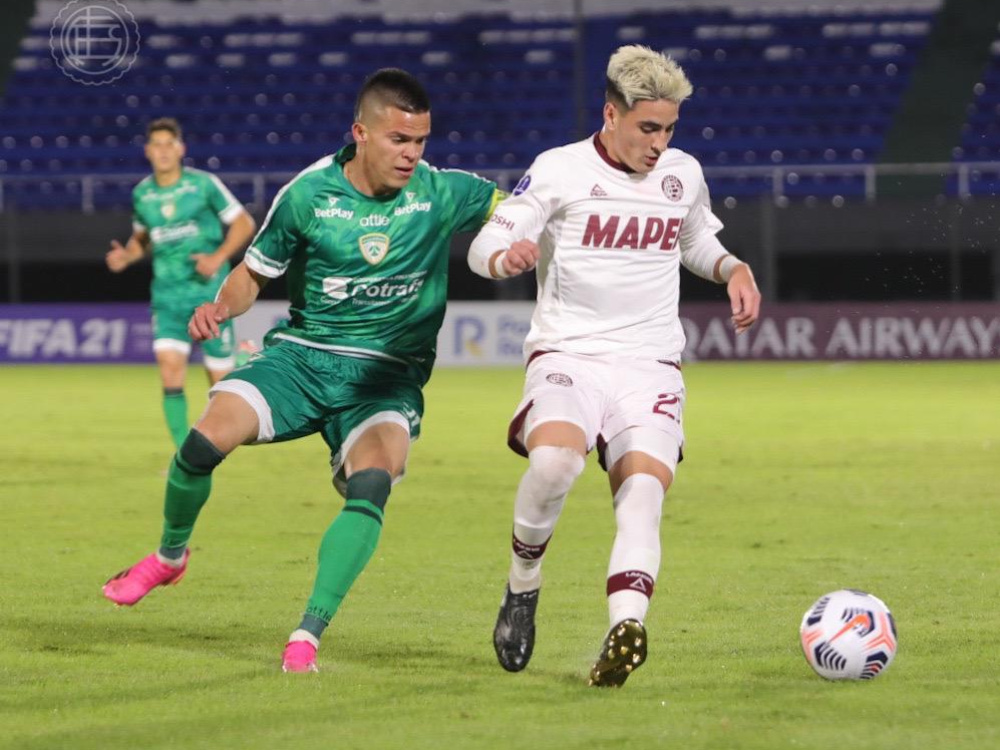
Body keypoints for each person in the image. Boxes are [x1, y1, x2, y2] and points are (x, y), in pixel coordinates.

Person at [102, 69, 506, 673]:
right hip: (302, 357)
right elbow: (253, 273)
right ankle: (170, 556)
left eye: (420, 141)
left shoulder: (441, 191)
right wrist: (218, 305)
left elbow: (524, 206)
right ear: (361, 133)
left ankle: (306, 635)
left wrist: (515, 238)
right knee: (203, 440)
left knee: (373, 481)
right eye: (399, 139)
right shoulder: (308, 194)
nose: (412, 154)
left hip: (386, 376)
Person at [467, 45, 761, 688]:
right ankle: (523, 584)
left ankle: (625, 627)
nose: (659, 144)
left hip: (650, 363)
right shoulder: (559, 170)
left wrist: (732, 266)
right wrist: (504, 257)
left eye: (669, 129)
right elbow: (487, 241)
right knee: (555, 463)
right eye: (648, 128)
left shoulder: (682, 172)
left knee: (643, 494)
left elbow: (695, 239)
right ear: (611, 113)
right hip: (569, 353)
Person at [106, 118, 256, 449]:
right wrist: (127, 256)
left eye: (168, 144)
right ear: (147, 151)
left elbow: (244, 223)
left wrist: (218, 257)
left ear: (180, 149)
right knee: (170, 373)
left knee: (222, 384)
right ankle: (182, 454)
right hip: (168, 298)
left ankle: (244, 360)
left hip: (209, 296)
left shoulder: (204, 185)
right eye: (156, 145)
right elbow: (142, 239)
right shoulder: (142, 194)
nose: (162, 151)